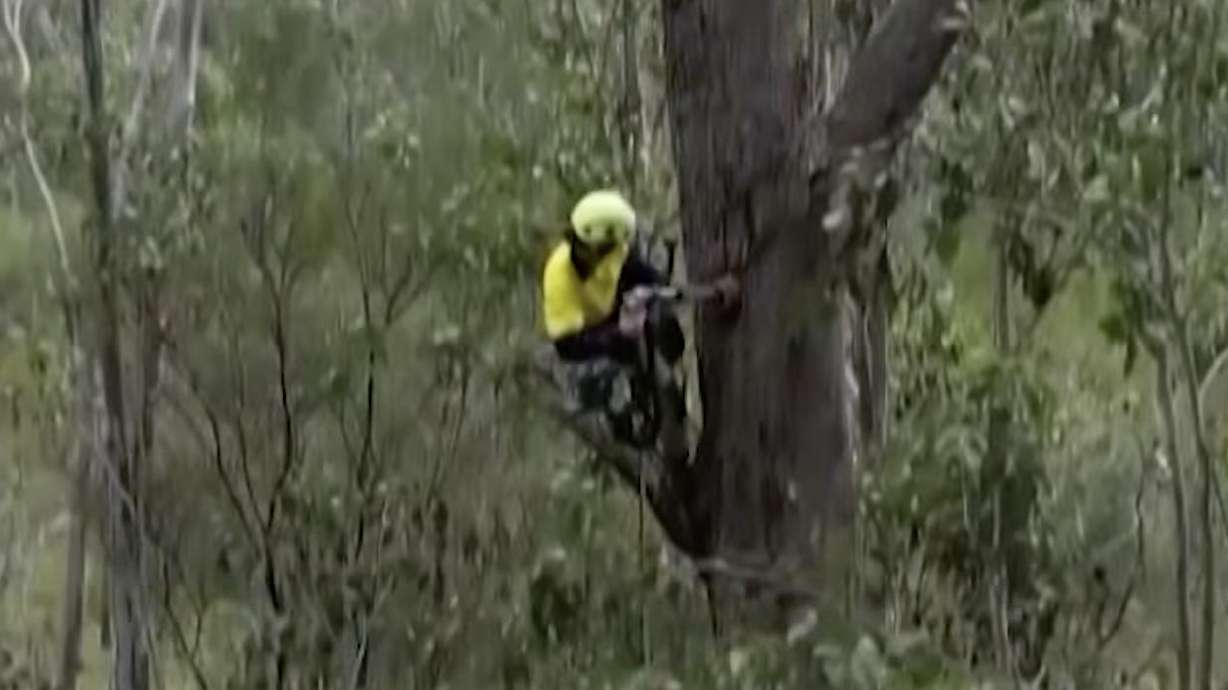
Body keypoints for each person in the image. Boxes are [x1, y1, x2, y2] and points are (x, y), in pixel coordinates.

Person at [541, 190, 686, 446]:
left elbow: (636, 270)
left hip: (616, 319)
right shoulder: (559, 276)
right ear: (590, 246)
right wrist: (613, 338)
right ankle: (624, 419)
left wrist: (659, 291)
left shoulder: (612, 252)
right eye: (609, 246)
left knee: (665, 328)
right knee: (605, 383)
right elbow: (566, 345)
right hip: (584, 344)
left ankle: (657, 388)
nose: (615, 251)